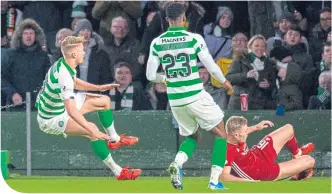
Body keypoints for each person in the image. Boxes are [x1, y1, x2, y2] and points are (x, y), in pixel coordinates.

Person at [146, 3, 233, 190]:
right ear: (184, 18)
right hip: (195, 94)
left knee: (193, 137)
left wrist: (166, 78)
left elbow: (150, 76)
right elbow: (209, 65)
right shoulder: (194, 38)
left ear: (167, 19)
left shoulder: (157, 43)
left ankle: (177, 164)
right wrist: (224, 81)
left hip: (175, 100)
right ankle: (214, 181)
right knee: (220, 135)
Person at [35, 36, 141, 180]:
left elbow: (75, 82)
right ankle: (119, 172)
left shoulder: (64, 64)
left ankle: (114, 139)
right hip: (52, 118)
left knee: (103, 101)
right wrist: (92, 130)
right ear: (73, 54)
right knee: (92, 130)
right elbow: (72, 111)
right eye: (81, 50)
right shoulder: (63, 75)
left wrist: (98, 88)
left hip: (61, 107)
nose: (84, 52)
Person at [220, 116, 315, 181]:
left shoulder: (233, 135)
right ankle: (297, 174)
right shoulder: (227, 151)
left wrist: (256, 127)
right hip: (262, 173)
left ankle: (297, 153)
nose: (247, 132)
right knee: (310, 161)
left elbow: (242, 131)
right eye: (245, 131)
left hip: (256, 155)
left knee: (288, 128)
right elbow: (223, 176)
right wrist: (245, 181)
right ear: (236, 135)